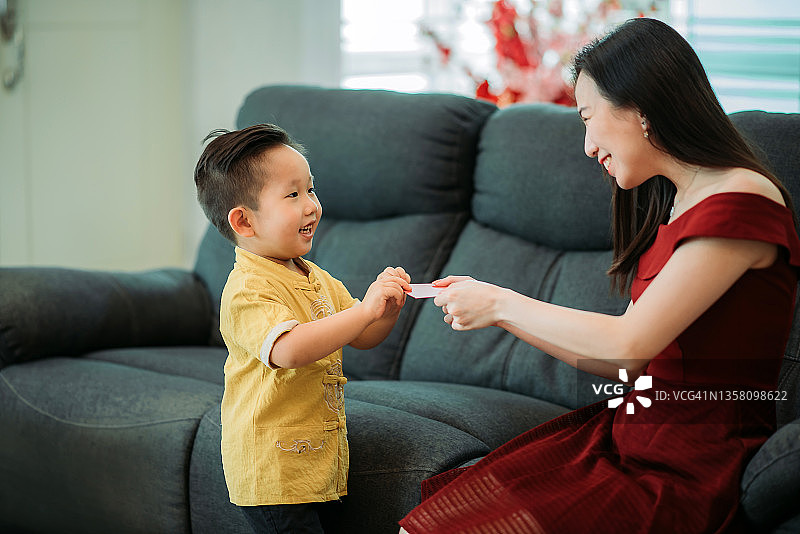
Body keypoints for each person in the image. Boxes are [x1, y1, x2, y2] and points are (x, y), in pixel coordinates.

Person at [399, 17, 800, 534]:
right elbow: (625, 367)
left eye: (587, 117)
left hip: (683, 470)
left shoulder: (742, 200)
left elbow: (629, 344)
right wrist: (496, 312)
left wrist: (500, 302)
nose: (588, 146)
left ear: (641, 111)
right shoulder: (679, 206)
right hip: (629, 437)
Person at [194, 123, 411, 534]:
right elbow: (289, 350)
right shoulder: (247, 289)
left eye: (310, 190)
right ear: (244, 222)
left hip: (318, 464)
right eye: (292, 195)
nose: (311, 205)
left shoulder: (315, 277)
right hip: (272, 470)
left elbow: (363, 337)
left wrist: (385, 310)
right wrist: (363, 312)